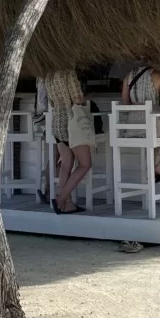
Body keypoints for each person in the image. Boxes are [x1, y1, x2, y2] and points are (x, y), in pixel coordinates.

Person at [44, 68, 96, 214]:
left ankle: (68, 204)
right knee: (85, 164)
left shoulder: (48, 75)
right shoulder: (68, 73)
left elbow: (51, 102)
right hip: (72, 122)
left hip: (57, 123)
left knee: (66, 164)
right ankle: (61, 199)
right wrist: (88, 97)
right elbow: (77, 99)